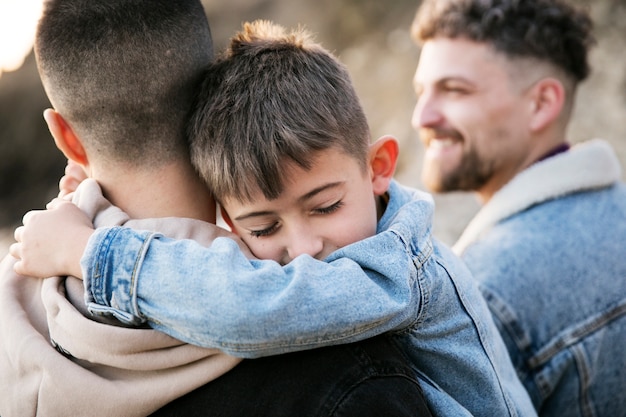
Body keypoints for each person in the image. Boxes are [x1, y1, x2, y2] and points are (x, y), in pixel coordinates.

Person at [11, 20, 536, 417]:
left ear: (379, 168)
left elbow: (254, 308)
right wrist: (94, 192)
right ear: (228, 219)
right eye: (262, 229)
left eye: (325, 206)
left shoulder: (400, 269)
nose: (304, 247)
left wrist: (87, 252)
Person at [410, 0, 626, 415]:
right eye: (421, 91)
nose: (423, 116)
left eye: (454, 90)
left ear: (542, 103)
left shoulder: (481, 293)